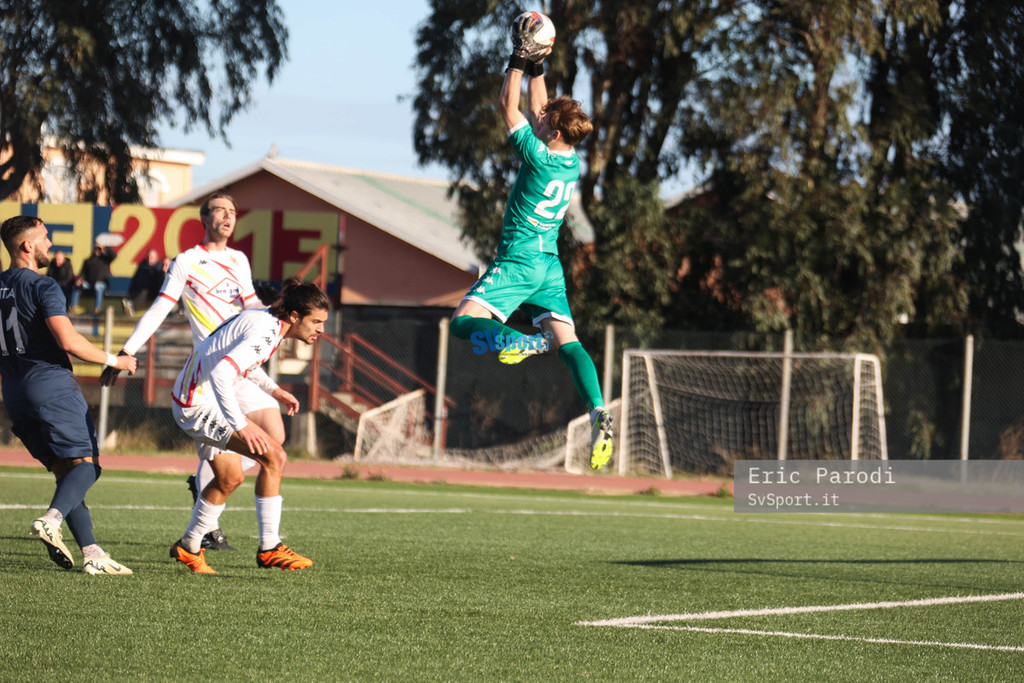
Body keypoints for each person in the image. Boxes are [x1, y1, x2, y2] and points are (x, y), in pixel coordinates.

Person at [447, 17, 614, 470]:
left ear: (552, 133)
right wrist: (540, 61)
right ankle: (598, 410)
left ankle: (520, 342)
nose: (537, 117)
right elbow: (541, 108)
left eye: (544, 120)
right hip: (548, 266)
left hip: (519, 261)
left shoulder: (538, 156)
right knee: (568, 343)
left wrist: (518, 58)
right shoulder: (569, 161)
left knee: (463, 323)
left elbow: (508, 105)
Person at [100, 193, 269, 551]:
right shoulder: (188, 260)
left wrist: (277, 314)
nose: (228, 216)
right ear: (204, 219)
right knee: (240, 459)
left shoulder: (239, 259)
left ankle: (204, 488)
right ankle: (208, 526)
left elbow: (252, 306)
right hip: (210, 371)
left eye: (233, 211)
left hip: (241, 365)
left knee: (274, 437)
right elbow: (160, 308)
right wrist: (128, 349)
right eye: (220, 210)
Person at [0, 215, 138, 574]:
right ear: (27, 245)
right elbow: (68, 341)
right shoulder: (43, 285)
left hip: (13, 391)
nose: (50, 244)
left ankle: (93, 554)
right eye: (45, 237)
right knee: (87, 467)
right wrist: (116, 360)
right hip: (50, 386)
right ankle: (51, 519)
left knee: (67, 474)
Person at [168, 278, 330, 574]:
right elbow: (221, 373)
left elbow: (246, 364)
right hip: (197, 404)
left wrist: (275, 391)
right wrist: (241, 425)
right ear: (295, 317)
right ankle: (270, 548)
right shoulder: (265, 331)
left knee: (229, 478)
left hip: (196, 398)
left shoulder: (268, 322)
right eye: (316, 322)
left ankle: (188, 547)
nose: (321, 329)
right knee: (275, 456)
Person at [70, 240, 116, 314]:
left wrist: (104, 247)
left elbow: (114, 256)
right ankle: (73, 306)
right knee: (76, 286)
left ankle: (97, 309)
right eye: (96, 249)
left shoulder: (105, 260)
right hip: (89, 283)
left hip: (102, 283)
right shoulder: (88, 261)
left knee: (98, 286)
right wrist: (80, 280)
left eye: (99, 249)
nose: (97, 251)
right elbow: (82, 273)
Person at [122, 248, 164, 317]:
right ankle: (128, 306)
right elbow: (135, 280)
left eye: (151, 257)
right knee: (130, 295)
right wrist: (130, 292)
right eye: (148, 257)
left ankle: (132, 307)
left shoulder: (159, 268)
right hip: (139, 289)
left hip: (152, 292)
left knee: (144, 292)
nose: (149, 259)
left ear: (156, 258)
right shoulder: (142, 266)